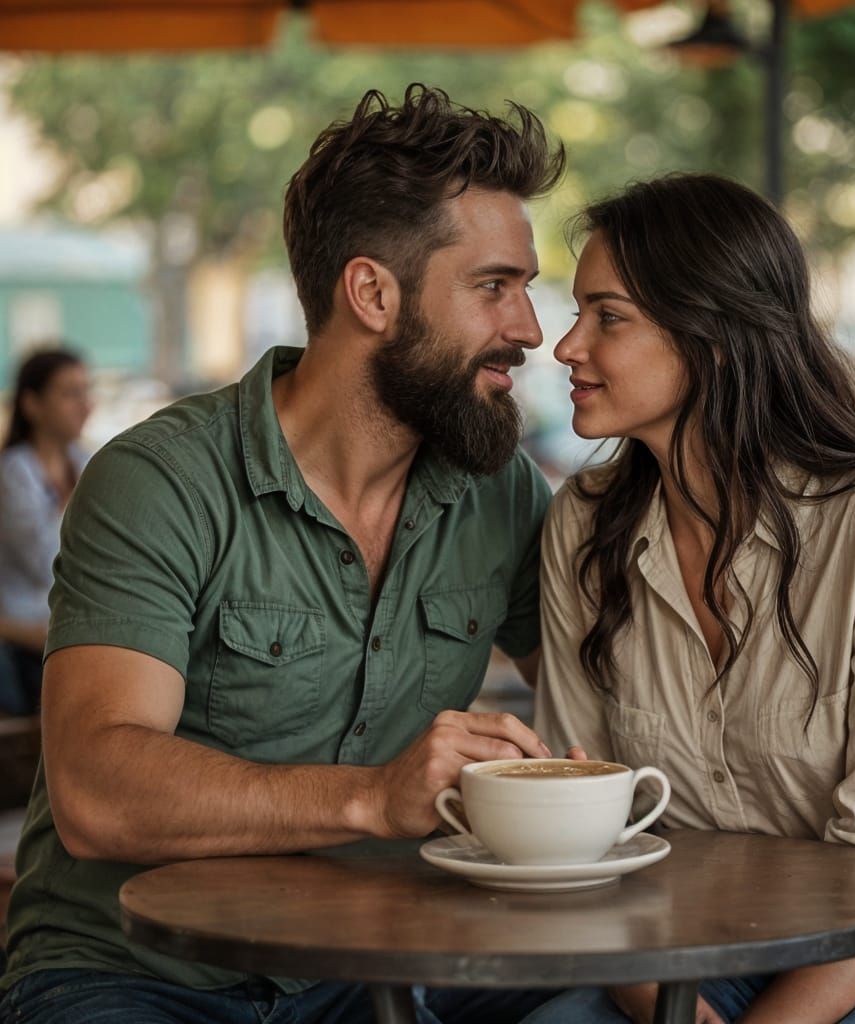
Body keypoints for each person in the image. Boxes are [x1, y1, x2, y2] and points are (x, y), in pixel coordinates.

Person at [0, 85, 571, 1024]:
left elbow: (612, 698)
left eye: (526, 288)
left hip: (366, 969)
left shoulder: (498, 490)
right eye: (495, 286)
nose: (529, 329)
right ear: (372, 293)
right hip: (134, 970)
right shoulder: (162, 478)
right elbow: (97, 789)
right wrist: (373, 800)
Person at [534, 174, 855, 1024]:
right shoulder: (583, 525)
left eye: (607, 317)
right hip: (667, 946)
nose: (566, 346)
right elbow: (582, 842)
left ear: (711, 337)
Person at [0, 348, 91, 716]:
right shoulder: (13, 473)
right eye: (70, 393)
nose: (85, 405)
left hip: (66, 623)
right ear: (32, 404)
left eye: (86, 392)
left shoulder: (84, 462)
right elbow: (45, 564)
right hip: (22, 633)